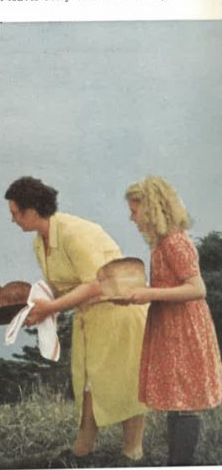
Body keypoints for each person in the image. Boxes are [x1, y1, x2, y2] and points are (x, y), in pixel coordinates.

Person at [4, 176, 147, 460]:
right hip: (90, 317)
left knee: (125, 382)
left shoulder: (72, 232)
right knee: (87, 383)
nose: (13, 220)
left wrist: (52, 307)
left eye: (15, 213)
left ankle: (133, 454)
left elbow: (96, 283)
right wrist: (34, 309)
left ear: (32, 210)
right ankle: (82, 450)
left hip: (119, 313)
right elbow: (63, 288)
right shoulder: (39, 243)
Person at [123, 176, 222, 466]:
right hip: (170, 324)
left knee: (186, 400)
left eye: (135, 210)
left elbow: (197, 288)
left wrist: (149, 293)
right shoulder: (161, 245)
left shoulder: (175, 242)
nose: (132, 217)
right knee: (177, 400)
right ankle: (176, 462)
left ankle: (182, 463)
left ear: (152, 208)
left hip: (184, 326)